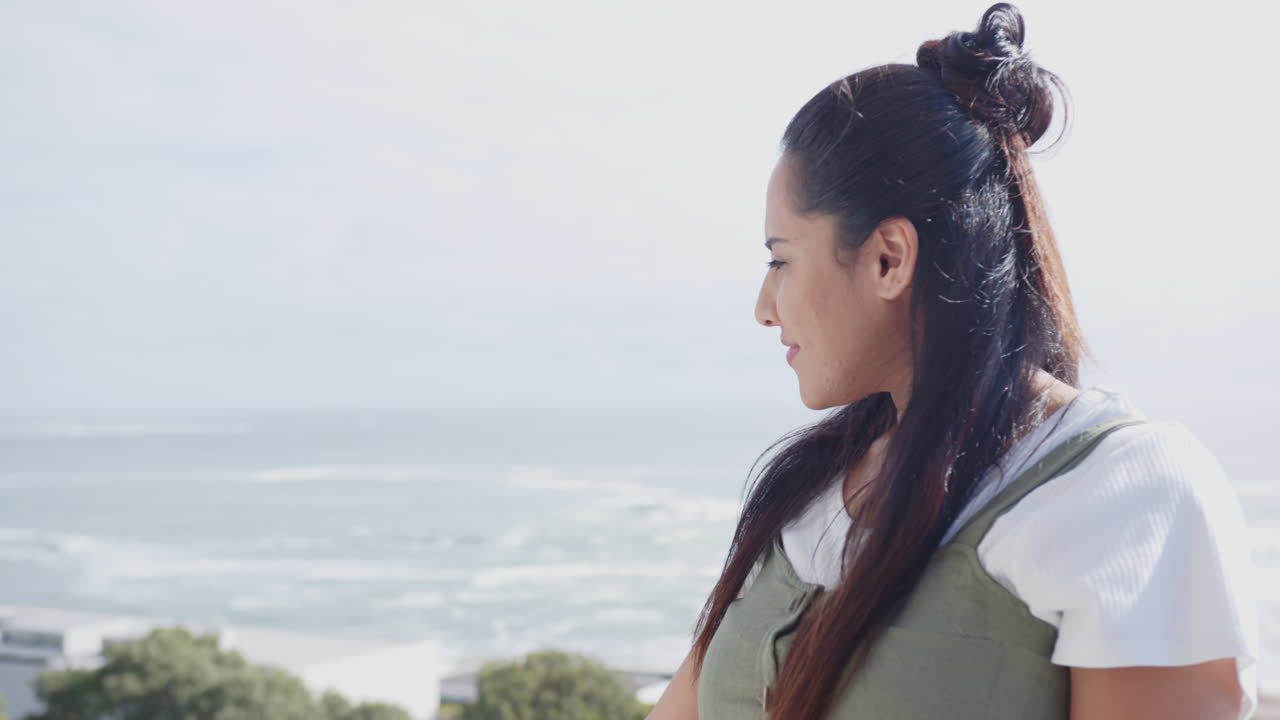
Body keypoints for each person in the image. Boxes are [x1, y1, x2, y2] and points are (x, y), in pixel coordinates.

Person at [644, 3, 1260, 719]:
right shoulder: (808, 490)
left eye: (781, 260)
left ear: (888, 258)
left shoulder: (1120, 493)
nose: (764, 306)